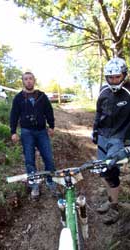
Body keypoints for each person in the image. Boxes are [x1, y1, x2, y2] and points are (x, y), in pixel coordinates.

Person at [92, 57, 130, 225]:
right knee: (103, 170)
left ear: (124, 75)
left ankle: (115, 207)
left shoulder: (128, 92)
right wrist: (95, 130)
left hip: (119, 137)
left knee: (111, 171)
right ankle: (110, 199)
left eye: (117, 76)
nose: (114, 80)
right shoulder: (103, 91)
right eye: (111, 77)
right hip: (103, 136)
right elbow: (98, 112)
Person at [10, 71, 56, 199]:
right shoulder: (18, 98)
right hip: (26, 132)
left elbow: (49, 111)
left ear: (34, 80)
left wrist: (51, 126)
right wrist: (13, 132)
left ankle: (50, 181)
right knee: (29, 160)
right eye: (26, 79)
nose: (28, 81)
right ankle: (34, 185)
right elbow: (14, 115)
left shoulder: (41, 96)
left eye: (30, 79)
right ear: (23, 82)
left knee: (48, 158)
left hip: (42, 131)